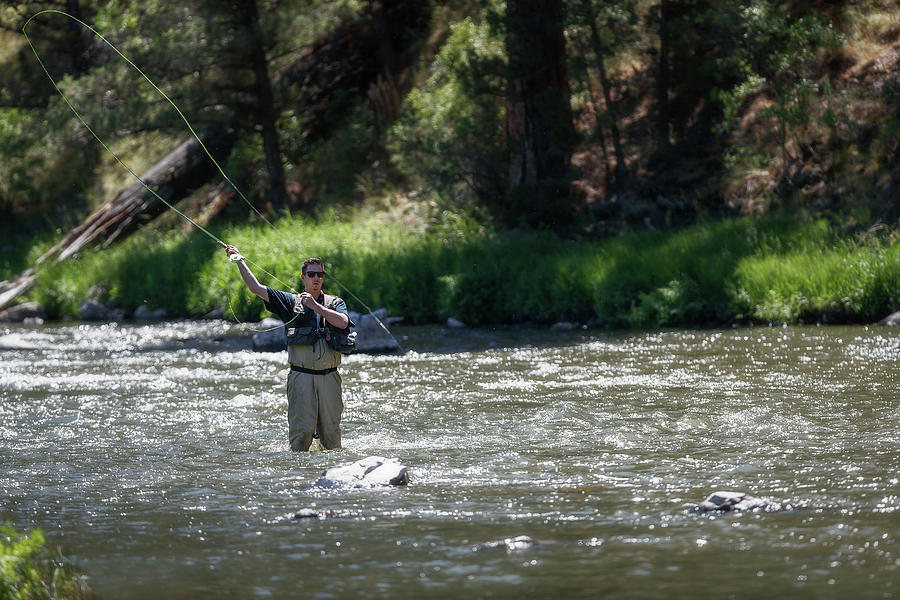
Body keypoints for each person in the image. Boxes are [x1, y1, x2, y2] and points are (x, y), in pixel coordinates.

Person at [223, 243, 354, 451]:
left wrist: (316, 307)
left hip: (330, 378)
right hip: (301, 377)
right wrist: (239, 260)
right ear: (303, 278)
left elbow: (343, 322)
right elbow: (256, 288)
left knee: (331, 438)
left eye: (320, 274)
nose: (316, 278)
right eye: (311, 274)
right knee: (301, 437)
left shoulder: (335, 302)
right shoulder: (290, 302)